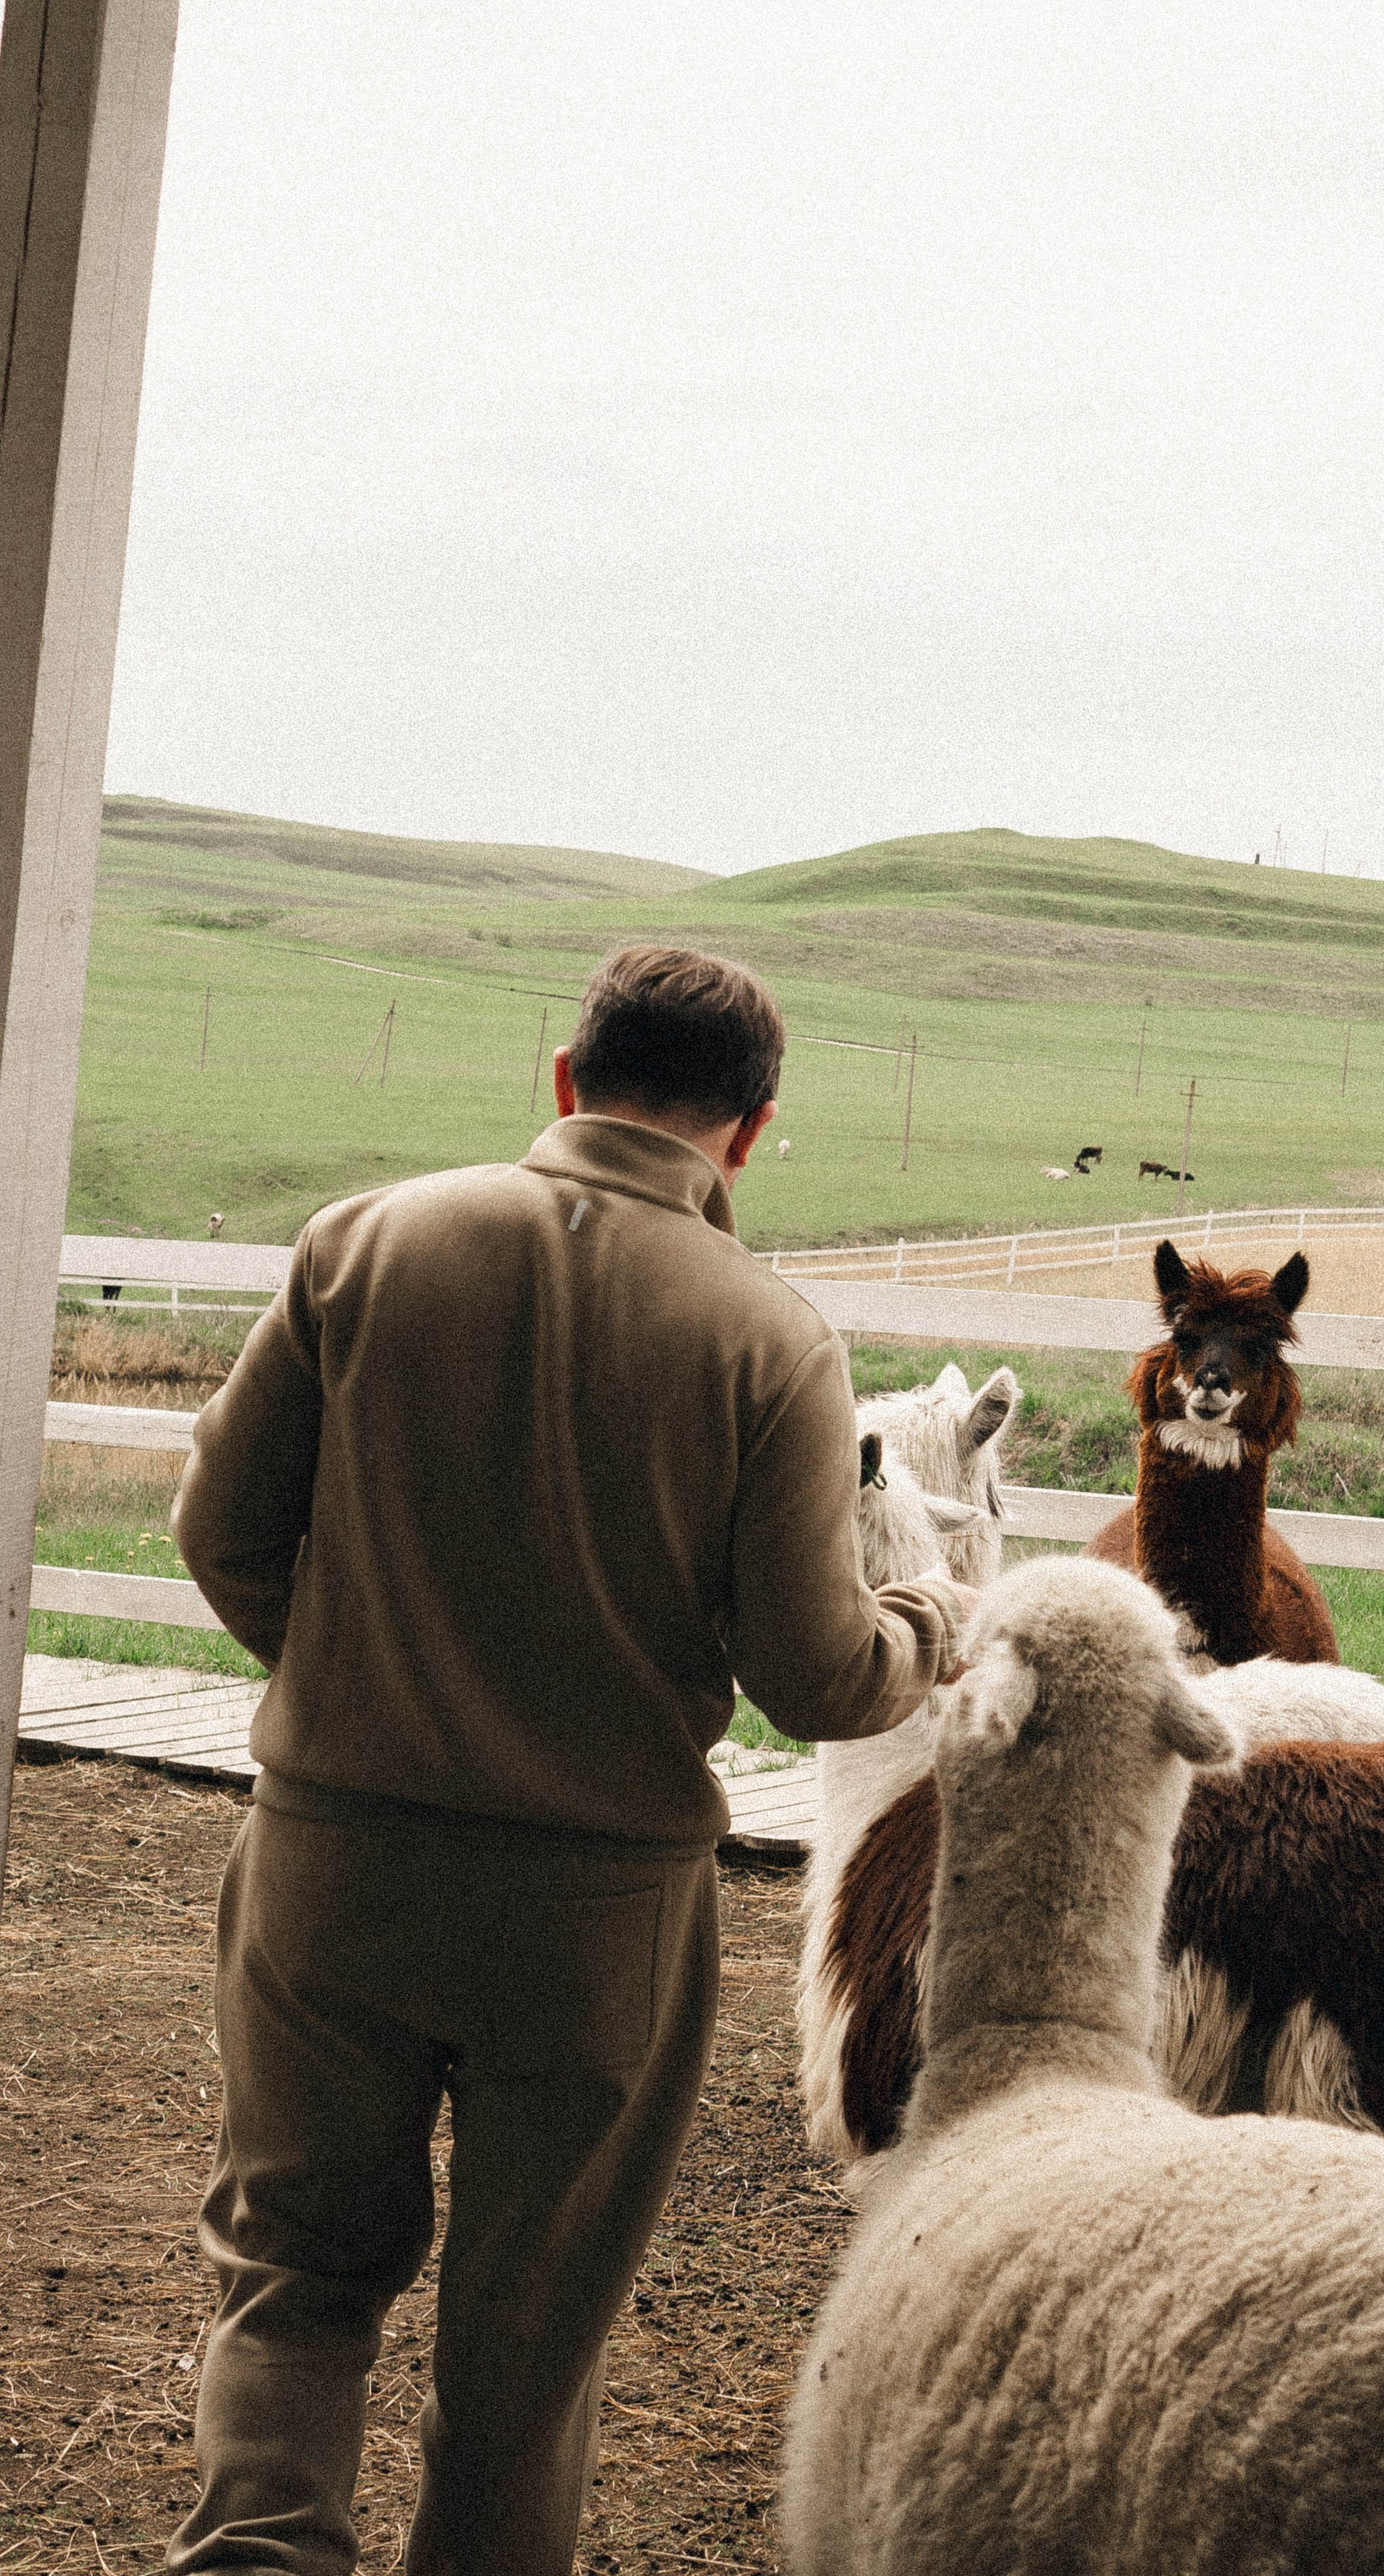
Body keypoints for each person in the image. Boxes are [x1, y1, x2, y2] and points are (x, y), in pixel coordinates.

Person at [166, 944, 965, 2576]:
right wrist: (923, 1626)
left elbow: (220, 1531)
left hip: (330, 1867)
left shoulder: (361, 1245)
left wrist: (350, 1688)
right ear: (749, 1130)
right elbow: (813, 1677)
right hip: (596, 1917)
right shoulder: (769, 1341)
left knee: (292, 2279)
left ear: (563, 1075)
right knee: (525, 2352)